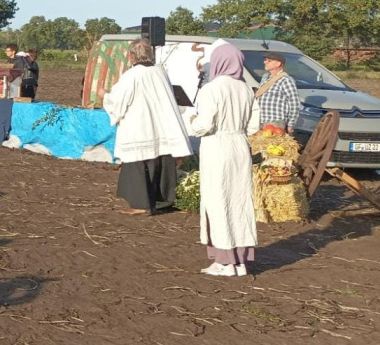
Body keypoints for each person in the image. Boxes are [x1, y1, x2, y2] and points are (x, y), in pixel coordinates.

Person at [188, 43, 258, 277]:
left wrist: (192, 121)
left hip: (217, 146)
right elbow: (254, 126)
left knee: (218, 202)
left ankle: (224, 262)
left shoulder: (212, 89)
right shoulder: (246, 89)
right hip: (240, 147)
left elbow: (204, 125)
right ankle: (240, 261)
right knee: (239, 201)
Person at [104, 40, 192, 216]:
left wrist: (104, 96)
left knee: (137, 165)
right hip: (161, 126)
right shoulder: (160, 72)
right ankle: (162, 200)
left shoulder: (132, 75)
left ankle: (141, 204)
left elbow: (118, 102)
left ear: (132, 56)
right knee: (160, 162)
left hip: (141, 126)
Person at [256, 52, 299, 132]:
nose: (265, 62)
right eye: (265, 60)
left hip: (275, 122)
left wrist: (291, 124)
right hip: (260, 120)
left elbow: (294, 103)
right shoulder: (265, 77)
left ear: (278, 63)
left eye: (269, 61)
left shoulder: (286, 80)